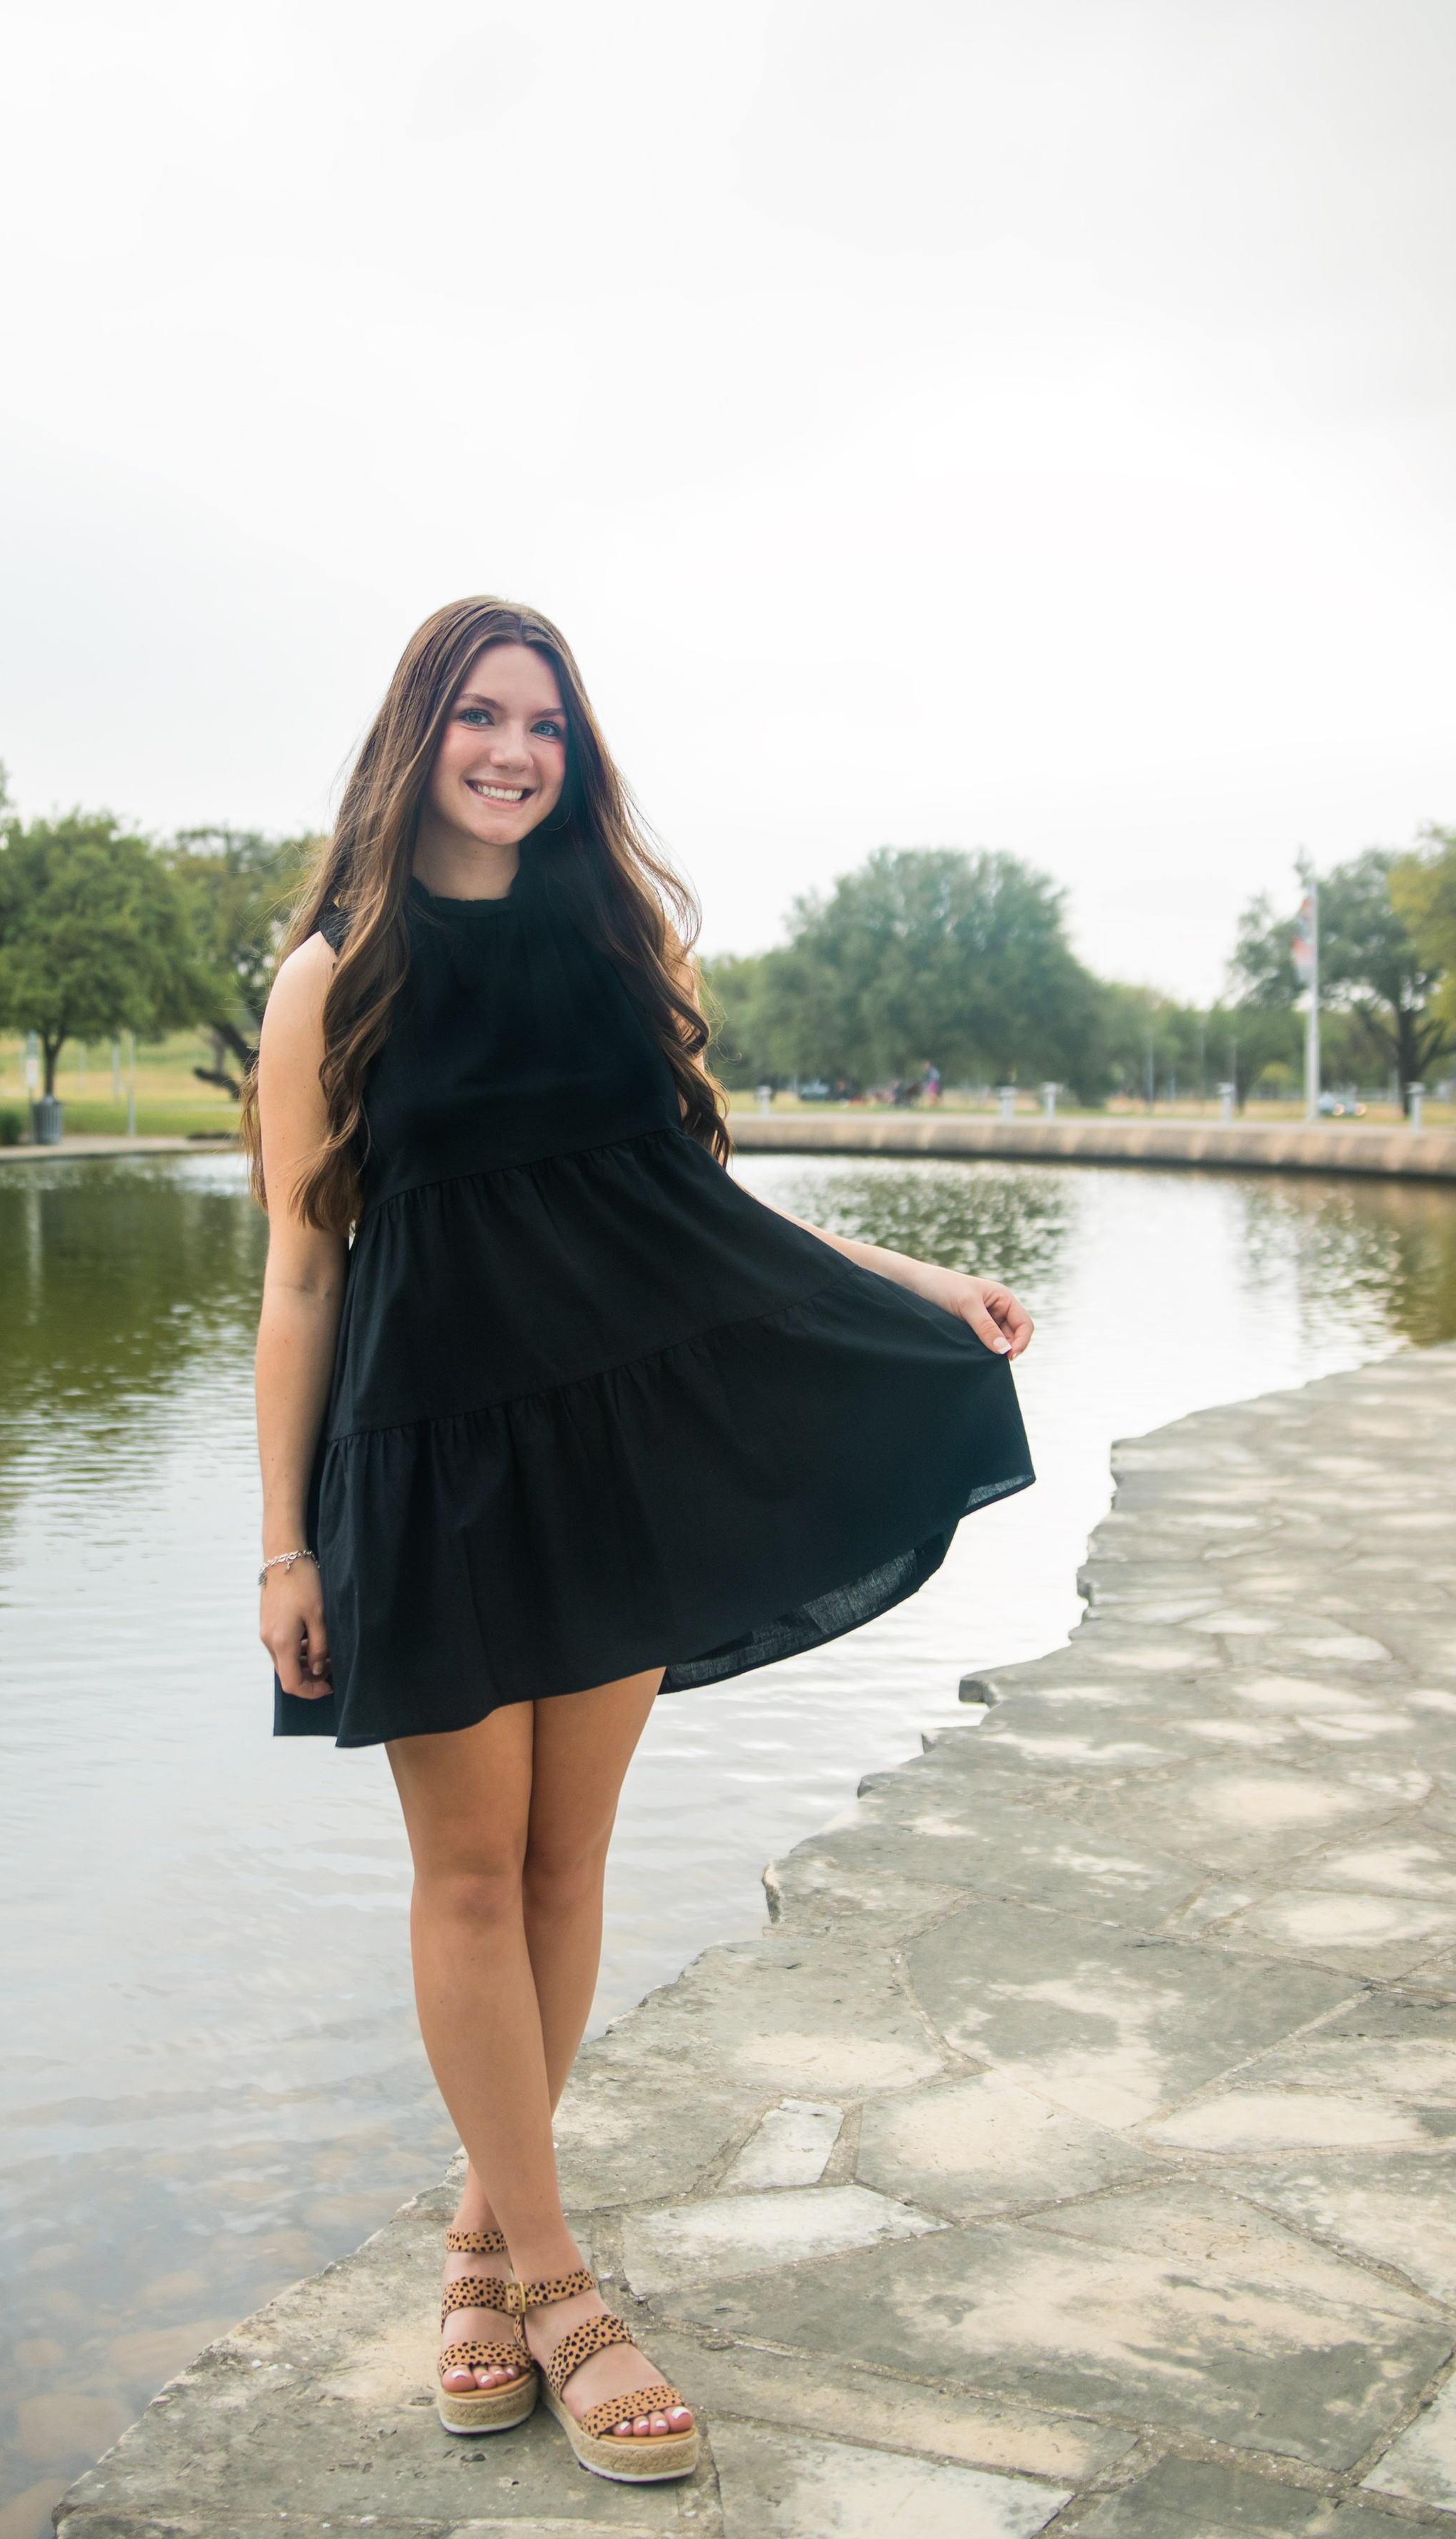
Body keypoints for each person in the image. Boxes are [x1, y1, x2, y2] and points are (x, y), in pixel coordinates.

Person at [248, 599, 1034, 2486]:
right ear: (418, 734)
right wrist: (283, 1546)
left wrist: (915, 1281)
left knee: (564, 1863)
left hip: (608, 1453)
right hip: (426, 1467)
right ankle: (562, 2285)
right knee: (466, 1876)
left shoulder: (622, 943)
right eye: (481, 717)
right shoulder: (331, 980)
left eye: (546, 726)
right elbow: (300, 1274)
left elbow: (700, 1212)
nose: (515, 753)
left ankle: (481, 2247)